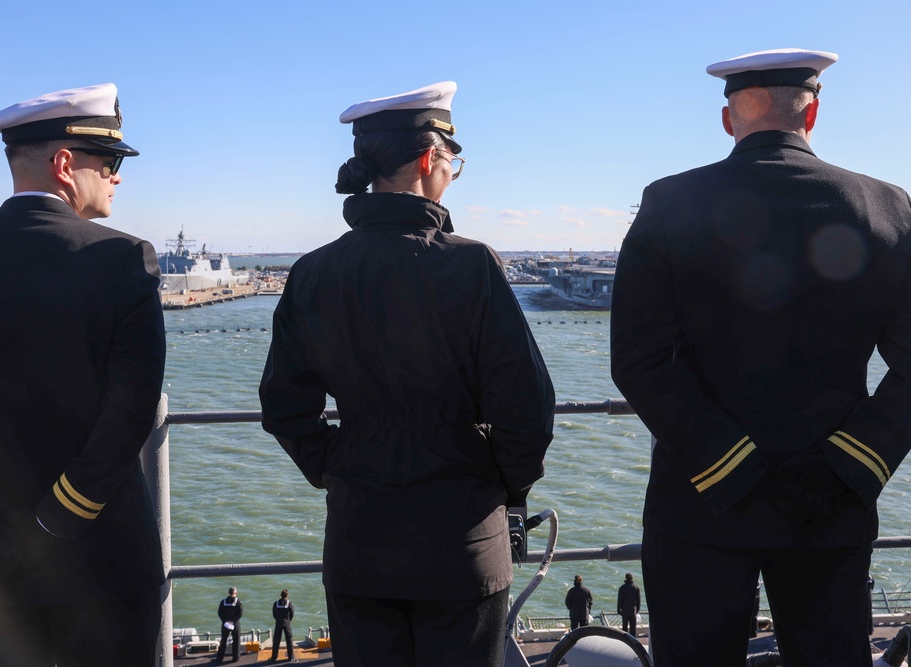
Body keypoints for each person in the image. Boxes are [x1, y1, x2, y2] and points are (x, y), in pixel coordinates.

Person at [611, 47, 911, 667]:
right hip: (830, 507)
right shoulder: (887, 207)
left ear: (728, 119)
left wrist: (731, 466)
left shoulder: (669, 203)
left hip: (700, 502)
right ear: (813, 114)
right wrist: (849, 466)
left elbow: (638, 361)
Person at [259, 81, 555, 667]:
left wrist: (338, 466)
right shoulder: (471, 265)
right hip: (463, 543)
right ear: (429, 159)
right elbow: (528, 409)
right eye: (453, 161)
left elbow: (284, 407)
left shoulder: (313, 273)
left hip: (359, 541)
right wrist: (497, 483)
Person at [0, 83, 165, 667]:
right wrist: (51, 524)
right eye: (109, 163)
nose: (116, 177)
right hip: (103, 565)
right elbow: (129, 414)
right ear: (65, 164)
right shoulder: (124, 260)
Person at [216, 587, 243, 663]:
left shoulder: (223, 602)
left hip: (225, 624)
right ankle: (236, 658)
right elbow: (240, 614)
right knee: (236, 640)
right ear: (235, 593)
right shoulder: (238, 602)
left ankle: (219, 658)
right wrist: (233, 621)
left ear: (228, 593)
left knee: (223, 640)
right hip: (235, 624)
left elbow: (220, 612)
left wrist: (225, 621)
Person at [270, 589, 296, 663]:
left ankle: (274, 657)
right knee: (289, 640)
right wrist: (288, 620)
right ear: (287, 595)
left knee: (276, 641)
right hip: (287, 623)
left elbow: (274, 614)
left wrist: (278, 619)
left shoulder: (276, 603)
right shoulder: (289, 604)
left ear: (280, 595)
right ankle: (290, 657)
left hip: (278, 623)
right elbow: (292, 614)